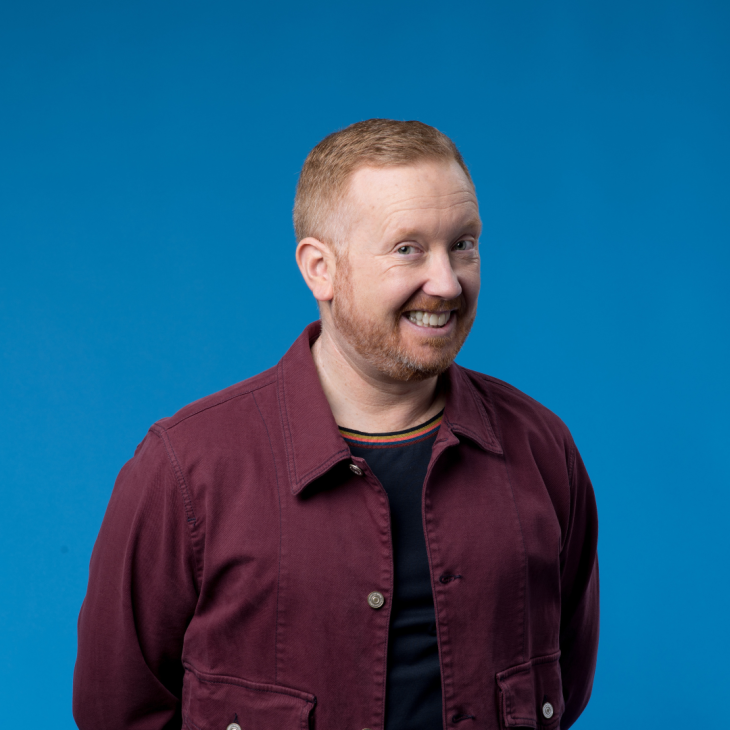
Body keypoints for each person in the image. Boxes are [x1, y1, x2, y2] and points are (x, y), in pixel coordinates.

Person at [73, 119, 599, 730]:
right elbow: (118, 710)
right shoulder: (184, 470)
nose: (448, 282)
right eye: (408, 248)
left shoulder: (543, 449)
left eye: (463, 243)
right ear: (319, 268)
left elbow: (566, 681)